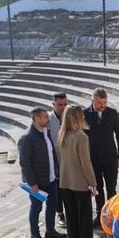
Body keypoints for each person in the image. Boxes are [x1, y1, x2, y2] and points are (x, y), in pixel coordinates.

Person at [18, 106, 67, 238]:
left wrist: (57, 172)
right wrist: (32, 184)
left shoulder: (46, 132)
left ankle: (50, 232)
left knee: (52, 207)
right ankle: (35, 234)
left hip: (51, 178)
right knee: (36, 208)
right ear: (37, 119)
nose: (48, 119)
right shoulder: (26, 138)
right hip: (37, 183)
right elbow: (25, 164)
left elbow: (52, 154)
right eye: (45, 117)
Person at [57, 105, 98, 238]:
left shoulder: (62, 135)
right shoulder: (81, 137)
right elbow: (85, 163)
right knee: (85, 219)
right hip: (80, 183)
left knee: (71, 217)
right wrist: (93, 183)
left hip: (65, 182)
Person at [84, 88, 119, 228]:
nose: (102, 105)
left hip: (110, 158)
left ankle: (112, 214)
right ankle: (100, 216)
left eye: (104, 102)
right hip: (93, 158)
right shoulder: (84, 115)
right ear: (92, 101)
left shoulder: (112, 113)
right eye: (99, 102)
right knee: (98, 189)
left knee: (111, 188)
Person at [49, 92, 69, 228]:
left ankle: (70, 211)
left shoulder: (70, 115)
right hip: (55, 160)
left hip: (69, 159)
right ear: (53, 104)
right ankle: (60, 213)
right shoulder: (49, 119)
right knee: (57, 189)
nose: (62, 107)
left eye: (65, 104)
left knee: (68, 188)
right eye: (59, 105)